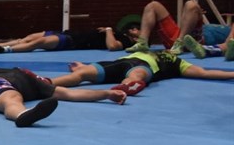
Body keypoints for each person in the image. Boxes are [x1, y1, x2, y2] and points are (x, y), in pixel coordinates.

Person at [49, 50, 234, 96]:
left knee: (136, 75)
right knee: (82, 73)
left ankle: (128, 86)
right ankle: (46, 83)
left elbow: (204, 72)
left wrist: (231, 74)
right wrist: (83, 65)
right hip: (120, 62)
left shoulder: (179, 62)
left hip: (144, 66)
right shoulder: (145, 48)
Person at [126, 0, 233, 58]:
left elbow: (228, 43)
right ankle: (142, 42)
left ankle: (180, 43)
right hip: (179, 36)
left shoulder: (228, 31)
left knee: (191, 5)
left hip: (194, 41)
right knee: (153, 5)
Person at [0, 26, 134, 54]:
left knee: (38, 43)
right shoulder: (120, 32)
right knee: (30, 37)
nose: (134, 29)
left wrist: (108, 30)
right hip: (68, 33)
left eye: (136, 29)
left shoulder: (127, 42)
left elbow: (112, 46)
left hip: (73, 41)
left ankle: (4, 49)